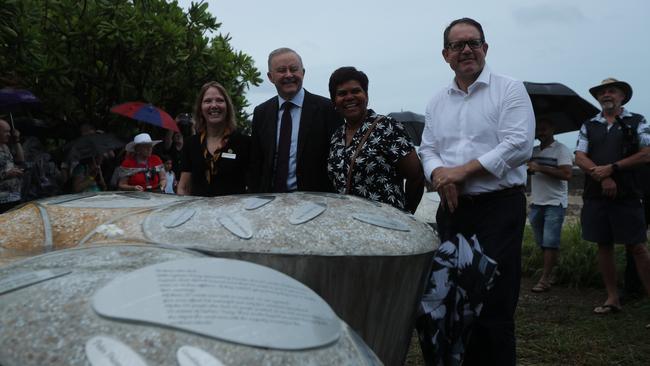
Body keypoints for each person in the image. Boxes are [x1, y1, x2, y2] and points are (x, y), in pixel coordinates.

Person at [418, 18, 535, 365]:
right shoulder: (437, 101)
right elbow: (427, 150)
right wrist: (441, 175)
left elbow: (518, 145)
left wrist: (460, 172)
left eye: (474, 42)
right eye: (457, 45)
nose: (466, 49)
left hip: (499, 209)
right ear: (445, 55)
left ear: (485, 48)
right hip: (453, 210)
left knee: (492, 303)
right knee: (446, 299)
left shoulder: (509, 89)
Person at [575, 77, 650, 316]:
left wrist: (613, 169)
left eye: (612, 91)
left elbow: (646, 154)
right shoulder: (589, 125)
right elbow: (579, 156)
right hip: (595, 195)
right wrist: (602, 176)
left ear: (622, 97)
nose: (606, 95)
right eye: (602, 92)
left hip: (628, 194)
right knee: (603, 245)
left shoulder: (637, 121)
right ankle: (612, 298)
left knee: (637, 246)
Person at [326, 66, 424, 212]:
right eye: (342, 93)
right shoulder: (337, 136)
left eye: (355, 91)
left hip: (387, 223)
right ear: (334, 101)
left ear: (366, 95)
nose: (349, 97)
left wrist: (407, 214)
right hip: (350, 223)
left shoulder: (388, 127)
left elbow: (416, 176)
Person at [248, 47, 343, 193]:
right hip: (270, 203)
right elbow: (256, 162)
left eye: (294, 69)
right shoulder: (261, 112)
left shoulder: (328, 109)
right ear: (270, 77)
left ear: (303, 72)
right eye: (281, 70)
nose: (288, 75)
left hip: (316, 203)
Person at [176, 81, 249, 196]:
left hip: (233, 212)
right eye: (207, 101)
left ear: (228, 107)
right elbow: (183, 187)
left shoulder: (244, 143)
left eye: (219, 100)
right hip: (198, 212)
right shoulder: (190, 144)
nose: (214, 105)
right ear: (201, 108)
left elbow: (253, 186)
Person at [527, 117, 573, 293]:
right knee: (542, 243)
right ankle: (554, 271)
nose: (541, 132)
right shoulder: (533, 150)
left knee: (550, 242)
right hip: (537, 202)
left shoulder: (561, 150)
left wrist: (540, 168)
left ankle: (545, 279)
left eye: (544, 128)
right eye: (538, 129)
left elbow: (567, 174)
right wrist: (531, 169)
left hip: (555, 202)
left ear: (553, 129)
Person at [0, 118, 24, 213]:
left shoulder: (5, 147)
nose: (9, 134)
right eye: (6, 132)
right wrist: (7, 174)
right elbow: (5, 173)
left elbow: (21, 159)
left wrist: (17, 139)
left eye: (9, 131)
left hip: (14, 196)